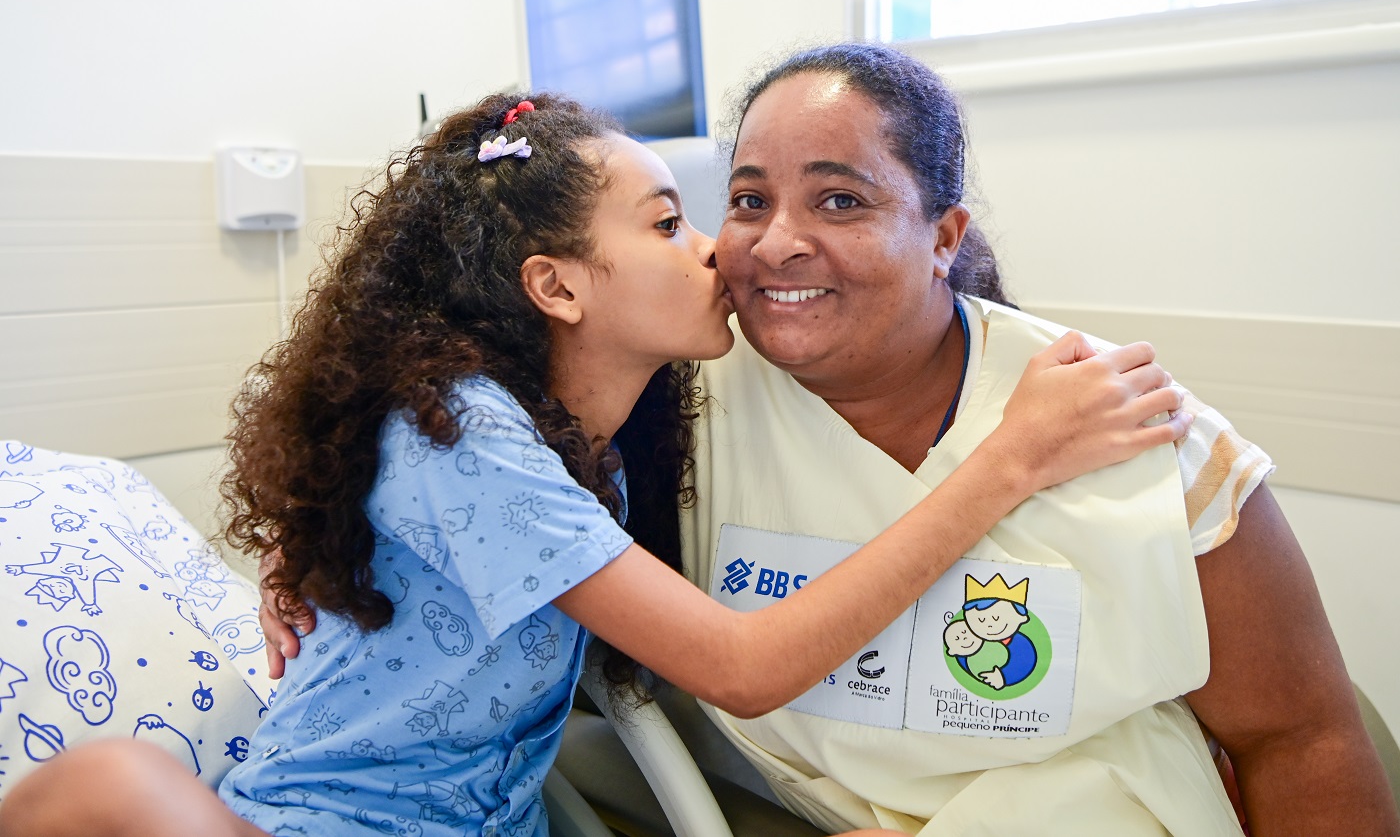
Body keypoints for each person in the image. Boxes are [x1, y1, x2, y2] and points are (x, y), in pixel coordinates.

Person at [0, 93, 1186, 837]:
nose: (719, 247)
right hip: (324, 824)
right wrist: (1009, 459)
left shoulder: (598, 459)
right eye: (669, 221)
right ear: (556, 286)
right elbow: (741, 666)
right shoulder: (460, 433)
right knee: (109, 787)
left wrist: (303, 541)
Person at [676, 42, 1399, 835]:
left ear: (944, 238)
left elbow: (1299, 739)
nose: (776, 242)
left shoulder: (1134, 431)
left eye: (841, 200)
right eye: (749, 200)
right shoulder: (685, 405)